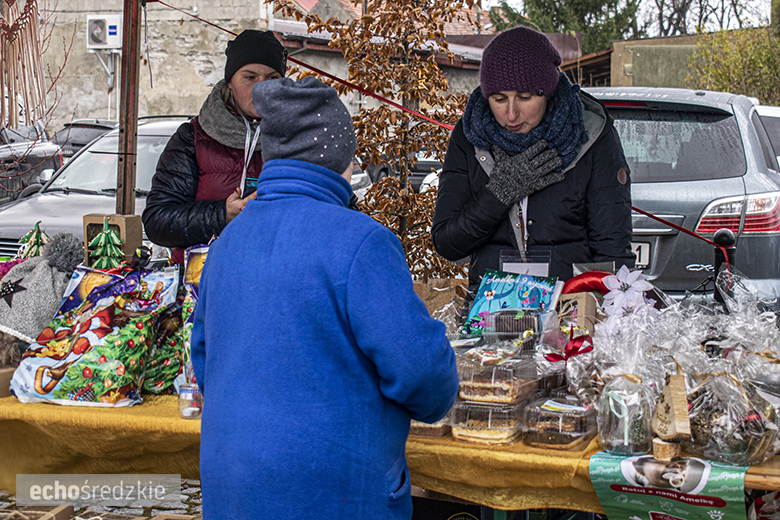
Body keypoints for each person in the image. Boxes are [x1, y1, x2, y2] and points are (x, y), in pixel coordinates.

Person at [190, 76, 459, 519]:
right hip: (334, 493)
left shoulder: (227, 240)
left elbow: (205, 361)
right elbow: (423, 374)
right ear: (341, 159)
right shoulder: (362, 243)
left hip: (233, 489)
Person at [432, 26, 635, 294]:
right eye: (499, 99)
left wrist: (604, 317)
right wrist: (499, 194)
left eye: (525, 98)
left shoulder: (591, 134)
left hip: (570, 311)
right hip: (493, 309)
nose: (511, 114)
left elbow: (612, 248)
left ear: (547, 92)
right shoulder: (469, 135)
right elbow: (448, 243)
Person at [142, 30, 287, 263]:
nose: (262, 88)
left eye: (272, 78)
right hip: (202, 286)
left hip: (277, 284)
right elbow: (157, 220)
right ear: (230, 82)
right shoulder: (193, 138)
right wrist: (222, 215)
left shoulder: (300, 139)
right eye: (250, 77)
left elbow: (339, 211)